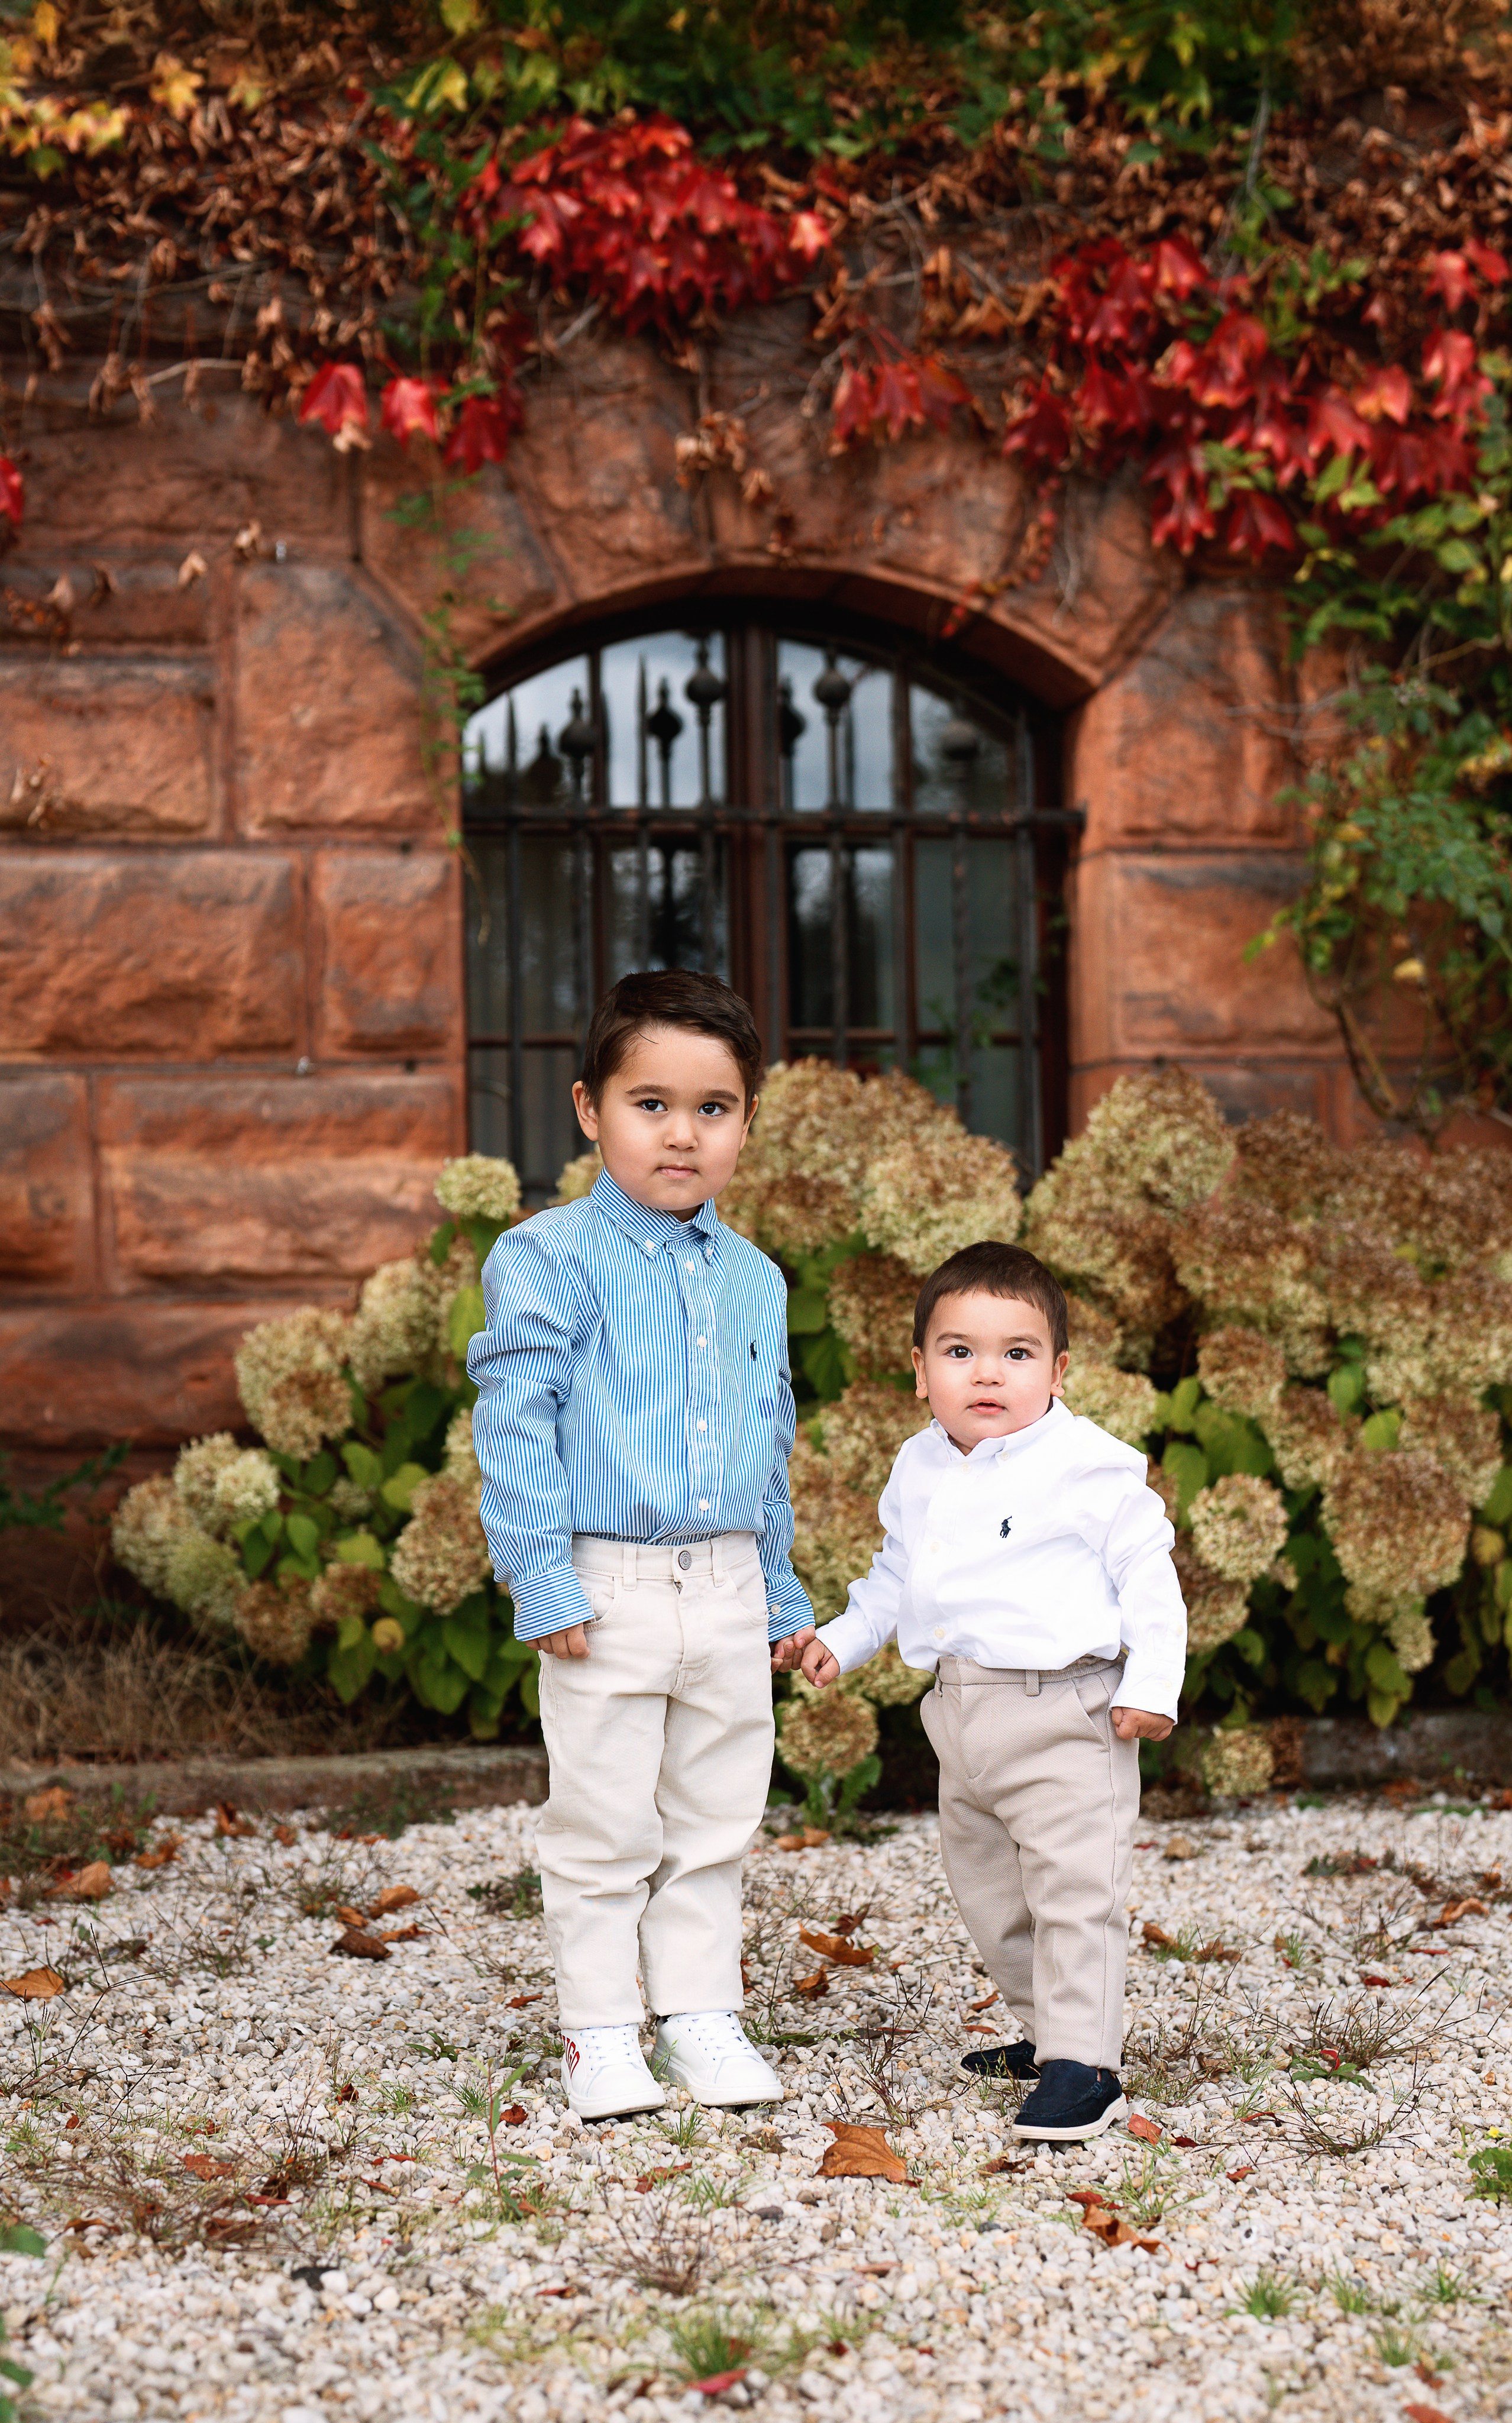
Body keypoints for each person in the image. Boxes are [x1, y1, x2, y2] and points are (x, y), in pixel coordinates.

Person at [467, 970, 818, 2121]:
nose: (682, 1132)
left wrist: (777, 1588)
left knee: (718, 1811)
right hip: (604, 1580)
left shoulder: (758, 1278)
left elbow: (770, 1440)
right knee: (605, 1818)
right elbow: (516, 1419)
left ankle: (703, 2013)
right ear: (588, 1108)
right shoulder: (546, 1257)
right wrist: (539, 1570)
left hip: (722, 1577)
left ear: (747, 1122)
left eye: (713, 1107)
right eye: (650, 1102)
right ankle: (602, 2030)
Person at [799, 1240, 1185, 2143]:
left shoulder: (1088, 1467)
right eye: (959, 1351)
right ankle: (1048, 2032)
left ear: (1057, 1371)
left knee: (1071, 1891)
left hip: (1067, 1712)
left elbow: (1149, 1580)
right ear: (920, 1370)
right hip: (960, 1713)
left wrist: (1154, 1683)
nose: (988, 1373)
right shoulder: (918, 1466)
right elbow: (895, 1575)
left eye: (1017, 1353)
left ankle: (1087, 2068)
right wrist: (845, 1641)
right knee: (990, 1895)